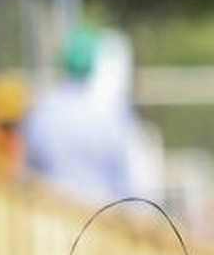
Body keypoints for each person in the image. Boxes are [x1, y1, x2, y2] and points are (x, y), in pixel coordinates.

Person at [21, 25, 139, 206]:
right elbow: (124, 176)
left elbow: (29, 165)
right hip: (102, 218)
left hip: (52, 217)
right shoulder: (107, 113)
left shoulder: (42, 109)